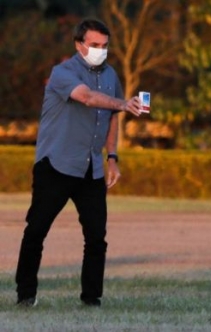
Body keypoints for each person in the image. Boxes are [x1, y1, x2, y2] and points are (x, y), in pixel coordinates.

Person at [15, 18, 142, 307]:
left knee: (97, 236)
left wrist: (112, 157)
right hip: (56, 164)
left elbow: (111, 119)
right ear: (79, 44)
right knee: (36, 230)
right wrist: (123, 103)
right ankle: (25, 294)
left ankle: (91, 298)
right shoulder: (62, 73)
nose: (100, 50)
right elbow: (86, 98)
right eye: (94, 45)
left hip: (91, 168)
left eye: (105, 46)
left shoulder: (111, 76)